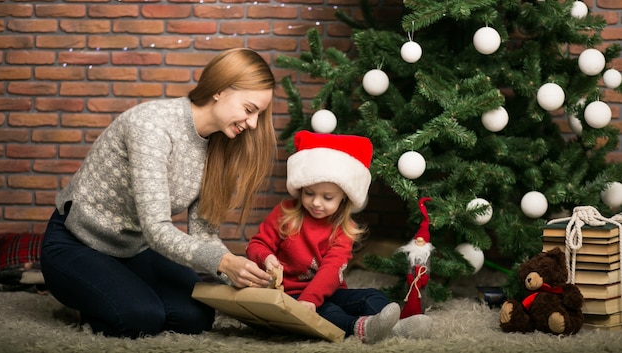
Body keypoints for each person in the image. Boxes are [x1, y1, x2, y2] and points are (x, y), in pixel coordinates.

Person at [40, 48, 277, 339]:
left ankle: (118, 290)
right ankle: (84, 302)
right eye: (249, 109)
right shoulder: (151, 125)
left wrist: (239, 272)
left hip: (133, 249)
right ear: (220, 90)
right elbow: (156, 230)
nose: (253, 124)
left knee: (196, 317)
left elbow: (203, 234)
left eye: (259, 115)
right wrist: (224, 263)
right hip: (77, 243)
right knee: (141, 318)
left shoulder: (220, 145)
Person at [246, 130, 432, 344]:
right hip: (288, 295)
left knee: (372, 296)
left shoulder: (344, 230)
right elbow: (257, 244)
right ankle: (358, 328)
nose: (316, 203)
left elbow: (331, 271)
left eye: (327, 197)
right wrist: (266, 257)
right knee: (327, 311)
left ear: (344, 197)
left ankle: (394, 327)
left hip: (324, 291)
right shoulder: (285, 213)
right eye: (309, 193)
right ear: (301, 188)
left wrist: (311, 298)